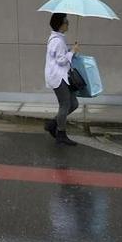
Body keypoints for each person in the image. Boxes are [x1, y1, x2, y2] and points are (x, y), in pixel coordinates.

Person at [44, 12, 80, 146]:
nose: (68, 23)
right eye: (66, 21)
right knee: (65, 105)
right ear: (60, 25)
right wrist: (72, 52)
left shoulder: (59, 38)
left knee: (74, 104)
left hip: (62, 76)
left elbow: (60, 56)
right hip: (58, 77)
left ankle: (53, 123)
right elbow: (60, 60)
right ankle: (61, 134)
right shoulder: (57, 41)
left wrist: (70, 50)